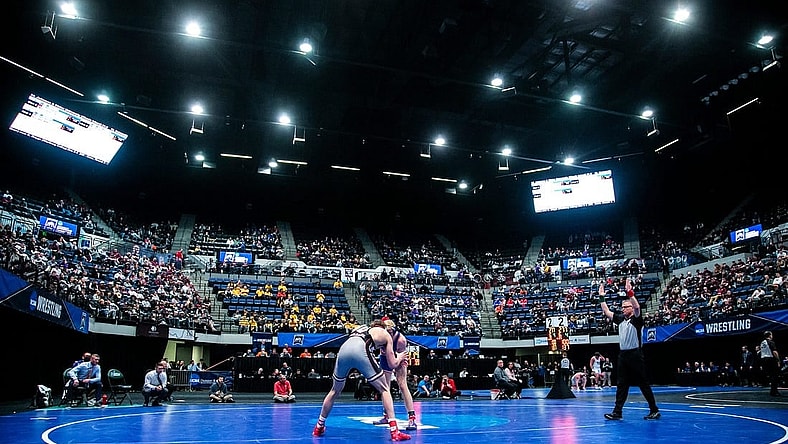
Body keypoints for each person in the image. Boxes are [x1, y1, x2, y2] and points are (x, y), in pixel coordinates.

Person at [312, 319, 411, 441]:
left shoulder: (361, 328)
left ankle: (319, 426)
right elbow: (392, 364)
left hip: (344, 349)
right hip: (361, 348)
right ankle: (395, 431)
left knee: (334, 391)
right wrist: (400, 356)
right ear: (383, 327)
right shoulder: (385, 334)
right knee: (385, 389)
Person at [599, 278, 661, 420]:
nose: (623, 309)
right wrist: (601, 297)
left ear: (631, 308)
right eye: (622, 307)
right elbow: (606, 311)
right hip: (623, 355)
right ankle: (617, 412)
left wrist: (630, 293)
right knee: (621, 385)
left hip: (635, 354)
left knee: (643, 383)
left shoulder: (637, 320)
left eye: (625, 307)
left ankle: (654, 409)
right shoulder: (621, 319)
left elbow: (638, 308)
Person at [373, 318, 418, 430]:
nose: (389, 334)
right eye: (386, 332)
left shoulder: (401, 340)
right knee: (385, 387)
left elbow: (397, 360)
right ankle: (386, 416)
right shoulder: (380, 337)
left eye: (391, 331)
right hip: (386, 357)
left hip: (399, 356)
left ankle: (412, 418)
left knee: (402, 385)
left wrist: (397, 359)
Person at [760, 330, 781, 396]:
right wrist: (778, 360)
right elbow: (774, 352)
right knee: (775, 375)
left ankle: (773, 390)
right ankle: (774, 391)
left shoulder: (762, 342)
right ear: (770, 335)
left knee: (771, 375)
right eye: (771, 334)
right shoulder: (770, 342)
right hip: (770, 359)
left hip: (764, 359)